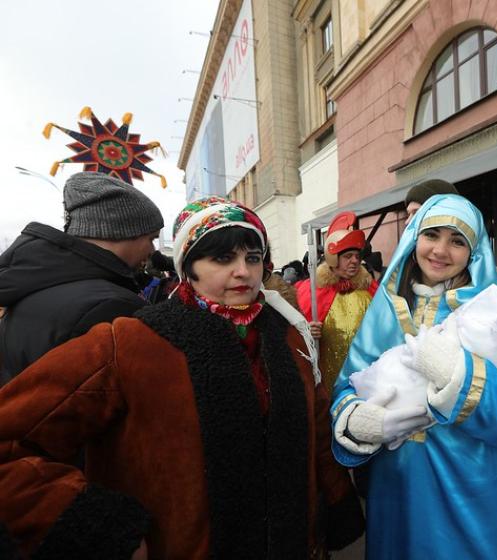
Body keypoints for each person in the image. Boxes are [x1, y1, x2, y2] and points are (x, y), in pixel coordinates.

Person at [0, 196, 364, 559]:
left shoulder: (286, 334)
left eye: (252, 258)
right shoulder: (129, 343)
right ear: (188, 267)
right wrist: (102, 527)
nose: (243, 271)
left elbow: (314, 431)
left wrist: (335, 506)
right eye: (222, 258)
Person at [331, 194, 497, 558]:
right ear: (413, 237)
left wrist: (461, 378)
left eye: (457, 241)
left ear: (474, 251)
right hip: (399, 493)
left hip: (476, 494)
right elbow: (347, 386)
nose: (440, 250)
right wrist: (357, 418)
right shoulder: (386, 306)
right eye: (432, 235)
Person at [0, 172, 163, 384]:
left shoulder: (33, 285)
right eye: (151, 238)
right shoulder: (112, 305)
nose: (153, 250)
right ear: (121, 231)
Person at [297, 212, 378, 391]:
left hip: (365, 378)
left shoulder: (370, 289)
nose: (355, 261)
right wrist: (307, 333)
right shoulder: (310, 292)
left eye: (357, 256)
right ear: (333, 259)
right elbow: (294, 338)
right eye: (348, 256)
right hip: (326, 381)